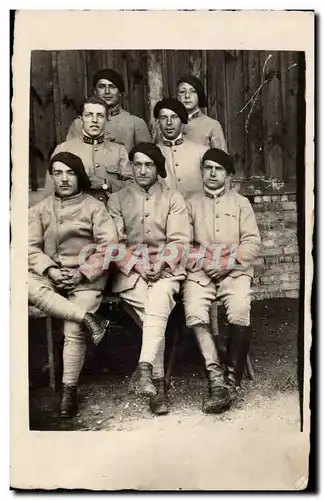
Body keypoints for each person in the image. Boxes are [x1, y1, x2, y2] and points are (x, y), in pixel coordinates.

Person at [28, 152, 118, 418]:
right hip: (52, 277)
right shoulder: (40, 209)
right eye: (58, 173)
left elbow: (109, 247)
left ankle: (68, 391)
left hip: (86, 279)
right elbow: (29, 248)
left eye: (70, 173)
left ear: (79, 176)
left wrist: (82, 273)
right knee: (22, 281)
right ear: (52, 177)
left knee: (72, 328)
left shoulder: (94, 208)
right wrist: (51, 270)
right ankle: (90, 318)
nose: (64, 179)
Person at [107, 142, 190, 415]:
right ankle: (156, 382)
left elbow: (179, 239)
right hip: (131, 273)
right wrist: (139, 267)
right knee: (156, 312)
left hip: (166, 270)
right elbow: (114, 243)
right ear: (131, 166)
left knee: (158, 302)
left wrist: (163, 262)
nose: (143, 170)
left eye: (149, 164)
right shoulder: (117, 199)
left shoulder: (173, 198)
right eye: (137, 164)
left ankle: (147, 374)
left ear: (158, 168)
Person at [182, 148, 261, 412]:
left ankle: (231, 381)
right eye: (207, 167)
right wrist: (205, 263)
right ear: (202, 171)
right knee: (194, 309)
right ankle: (215, 378)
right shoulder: (190, 203)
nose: (212, 173)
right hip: (200, 271)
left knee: (240, 307)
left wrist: (227, 263)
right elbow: (182, 244)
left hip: (235, 270)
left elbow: (252, 243)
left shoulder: (241, 204)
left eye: (218, 169)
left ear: (228, 175)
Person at [43, 96, 133, 202]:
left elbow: (132, 188)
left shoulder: (119, 151)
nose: (94, 120)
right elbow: (49, 194)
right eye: (89, 115)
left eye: (100, 116)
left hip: (111, 214)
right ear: (81, 119)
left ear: (106, 120)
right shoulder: (64, 149)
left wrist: (106, 184)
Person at [66, 68, 152, 152]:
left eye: (112, 87)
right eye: (102, 87)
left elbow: (147, 159)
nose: (107, 91)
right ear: (95, 91)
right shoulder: (79, 124)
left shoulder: (135, 124)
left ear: (120, 93)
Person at [154, 98, 208, 199]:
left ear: (182, 121)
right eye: (164, 117)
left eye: (174, 117)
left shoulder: (201, 152)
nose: (169, 122)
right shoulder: (152, 154)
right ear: (158, 122)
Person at [176, 74, 227, 151]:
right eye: (182, 92)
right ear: (177, 96)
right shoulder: (169, 125)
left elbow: (222, 159)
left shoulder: (212, 125)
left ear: (199, 95)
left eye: (193, 91)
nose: (187, 96)